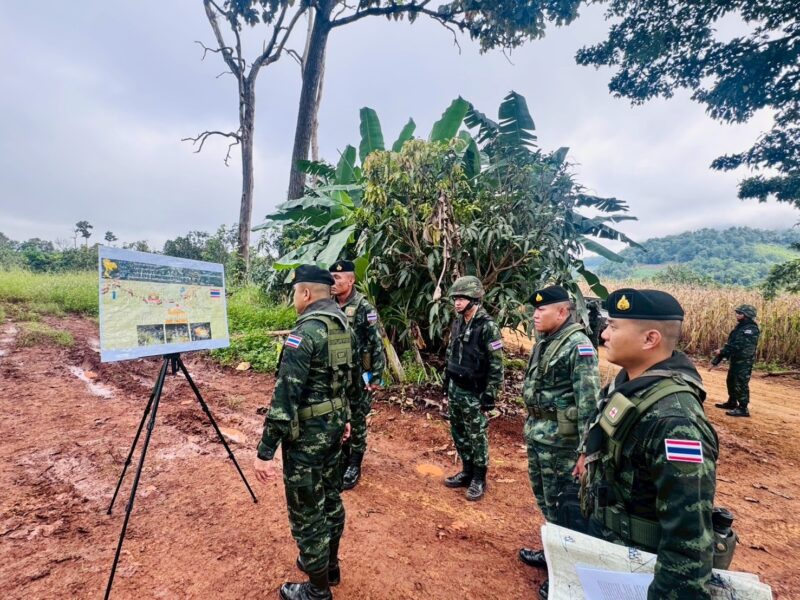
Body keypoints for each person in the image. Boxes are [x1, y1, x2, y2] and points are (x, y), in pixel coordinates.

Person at [582, 288, 719, 600]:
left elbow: (688, 536)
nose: (604, 334)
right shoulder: (630, 383)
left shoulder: (676, 422)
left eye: (614, 326)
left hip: (641, 567)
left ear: (650, 339)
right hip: (611, 548)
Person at [253, 265, 356, 600]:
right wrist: (347, 417)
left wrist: (265, 451)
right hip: (334, 428)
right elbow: (346, 379)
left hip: (308, 436)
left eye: (295, 292)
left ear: (306, 293)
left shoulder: (305, 333)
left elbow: (286, 397)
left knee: (307, 510)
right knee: (331, 497)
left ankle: (317, 590)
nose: (294, 298)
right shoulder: (342, 325)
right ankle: (329, 566)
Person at [519, 285, 601, 600]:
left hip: (562, 443)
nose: (535, 315)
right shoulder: (547, 341)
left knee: (565, 505)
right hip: (539, 434)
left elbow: (589, 402)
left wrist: (585, 452)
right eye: (534, 310)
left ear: (563, 311)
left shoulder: (578, 346)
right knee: (546, 498)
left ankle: (567, 572)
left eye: (542, 309)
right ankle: (553, 552)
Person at [442, 276, 504, 501]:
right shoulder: (458, 321)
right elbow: (452, 351)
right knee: (458, 431)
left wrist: (490, 395)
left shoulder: (488, 327)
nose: (457, 303)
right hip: (456, 387)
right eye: (455, 299)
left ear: (475, 299)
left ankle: (479, 478)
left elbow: (496, 364)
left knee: (477, 435)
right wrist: (446, 379)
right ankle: (467, 471)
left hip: (474, 391)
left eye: (462, 298)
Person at [329, 259, 386, 489]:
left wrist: (376, 377)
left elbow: (376, 343)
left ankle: (354, 464)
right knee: (339, 414)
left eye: (338, 278)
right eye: (331, 278)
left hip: (360, 374)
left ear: (351, 280)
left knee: (357, 417)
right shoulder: (329, 305)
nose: (333, 282)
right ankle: (342, 457)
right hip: (336, 373)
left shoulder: (364, 308)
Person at [711, 304, 760, 418]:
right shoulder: (741, 327)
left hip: (744, 361)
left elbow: (738, 345)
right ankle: (732, 402)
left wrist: (722, 351)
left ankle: (743, 408)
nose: (737, 315)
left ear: (747, 315)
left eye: (740, 313)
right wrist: (721, 355)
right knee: (731, 381)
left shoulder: (750, 329)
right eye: (737, 312)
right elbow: (731, 343)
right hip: (736, 359)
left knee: (741, 383)